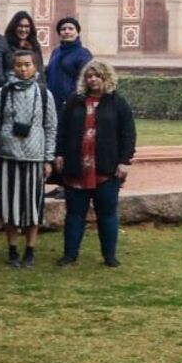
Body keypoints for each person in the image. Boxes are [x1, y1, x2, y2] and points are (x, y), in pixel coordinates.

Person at [55, 59, 136, 268]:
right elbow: (61, 129)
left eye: (97, 75)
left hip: (106, 170)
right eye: (89, 76)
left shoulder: (117, 102)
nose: (93, 80)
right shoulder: (75, 101)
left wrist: (124, 161)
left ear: (106, 78)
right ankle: (70, 255)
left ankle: (109, 256)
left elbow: (128, 134)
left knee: (107, 214)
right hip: (76, 168)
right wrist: (59, 154)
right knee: (74, 215)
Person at [0, 48, 57, 268]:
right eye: (19, 65)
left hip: (34, 158)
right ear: (14, 67)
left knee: (32, 208)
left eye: (27, 65)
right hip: (8, 158)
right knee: (9, 208)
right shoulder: (2, 93)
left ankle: (30, 251)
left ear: (35, 67)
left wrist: (48, 158)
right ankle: (12, 250)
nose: (23, 68)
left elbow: (50, 128)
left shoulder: (43, 94)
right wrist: (1, 144)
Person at [45, 17, 92, 113]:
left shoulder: (83, 54)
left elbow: (85, 80)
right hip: (52, 104)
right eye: (63, 29)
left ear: (77, 32)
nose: (67, 31)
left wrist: (72, 98)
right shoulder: (56, 52)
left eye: (71, 29)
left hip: (72, 104)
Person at [3, 11, 45, 80]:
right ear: (14, 27)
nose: (23, 29)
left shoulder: (35, 46)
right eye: (20, 26)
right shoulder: (5, 44)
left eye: (26, 26)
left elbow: (40, 70)